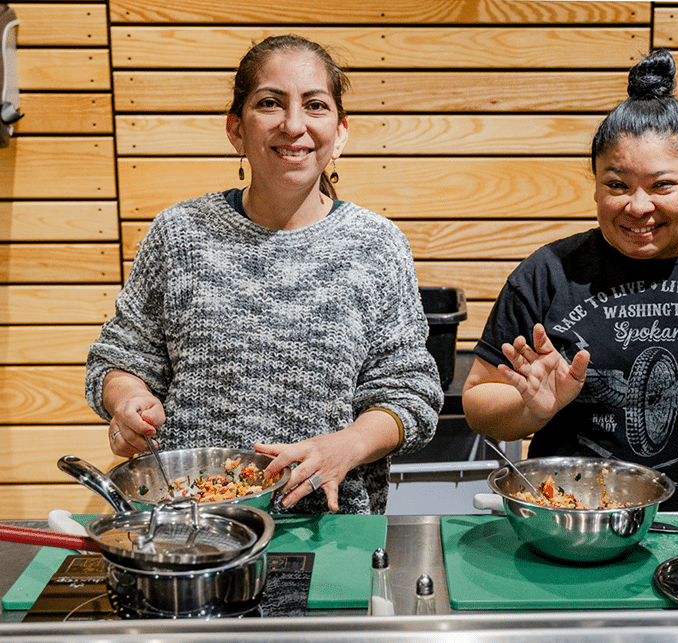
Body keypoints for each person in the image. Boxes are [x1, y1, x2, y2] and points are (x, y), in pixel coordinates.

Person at [85, 34, 442, 515]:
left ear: (339, 134)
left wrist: (346, 447)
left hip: (328, 528)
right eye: (270, 103)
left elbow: (410, 394)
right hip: (189, 525)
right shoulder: (180, 232)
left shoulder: (377, 245)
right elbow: (122, 357)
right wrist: (127, 402)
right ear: (236, 129)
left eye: (315, 105)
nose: (294, 125)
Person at [462, 48, 678, 511]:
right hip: (580, 529)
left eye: (662, 185)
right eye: (617, 185)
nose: (638, 206)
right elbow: (477, 401)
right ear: (594, 183)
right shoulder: (549, 272)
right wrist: (533, 408)